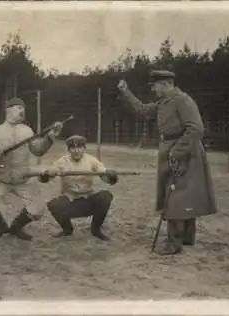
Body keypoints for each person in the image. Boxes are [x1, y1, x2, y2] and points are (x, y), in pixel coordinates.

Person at [117, 70, 218, 255]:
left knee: (177, 197)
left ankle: (174, 244)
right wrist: (126, 92)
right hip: (173, 150)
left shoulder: (182, 100)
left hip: (185, 152)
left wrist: (177, 151)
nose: (153, 90)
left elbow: (196, 129)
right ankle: (186, 238)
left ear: (164, 84)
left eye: (154, 86)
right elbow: (142, 110)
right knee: (181, 195)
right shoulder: (164, 102)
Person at [0, 97, 64, 241]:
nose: (22, 111)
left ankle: (16, 227)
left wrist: (50, 136)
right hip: (0, 179)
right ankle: (1, 226)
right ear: (9, 110)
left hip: (23, 179)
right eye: (19, 108)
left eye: (23, 109)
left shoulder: (27, 131)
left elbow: (38, 150)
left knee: (38, 208)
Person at [38, 135, 118, 241]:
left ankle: (95, 229)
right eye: (73, 148)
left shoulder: (91, 160)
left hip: (87, 200)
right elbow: (48, 175)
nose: (76, 151)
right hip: (70, 201)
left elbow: (104, 175)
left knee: (106, 196)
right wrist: (45, 176)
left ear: (84, 148)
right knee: (54, 205)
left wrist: (111, 177)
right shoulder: (62, 162)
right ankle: (67, 230)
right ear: (69, 150)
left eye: (79, 147)